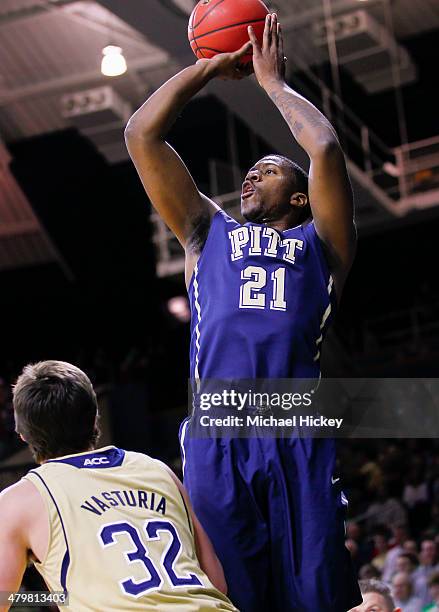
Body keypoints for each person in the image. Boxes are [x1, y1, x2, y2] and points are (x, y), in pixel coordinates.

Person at [125, 12, 359, 612]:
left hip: (294, 425)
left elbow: (326, 146)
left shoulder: (322, 247)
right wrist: (205, 67)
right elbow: (141, 134)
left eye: (272, 169)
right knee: (234, 599)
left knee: (318, 597)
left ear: (301, 197)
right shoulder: (207, 233)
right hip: (219, 430)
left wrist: (271, 83)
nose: (253, 172)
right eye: (251, 168)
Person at [0, 361, 237, 612]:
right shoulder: (158, 470)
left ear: (22, 434)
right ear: (94, 418)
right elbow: (216, 582)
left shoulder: (20, 499)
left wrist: (55, 598)